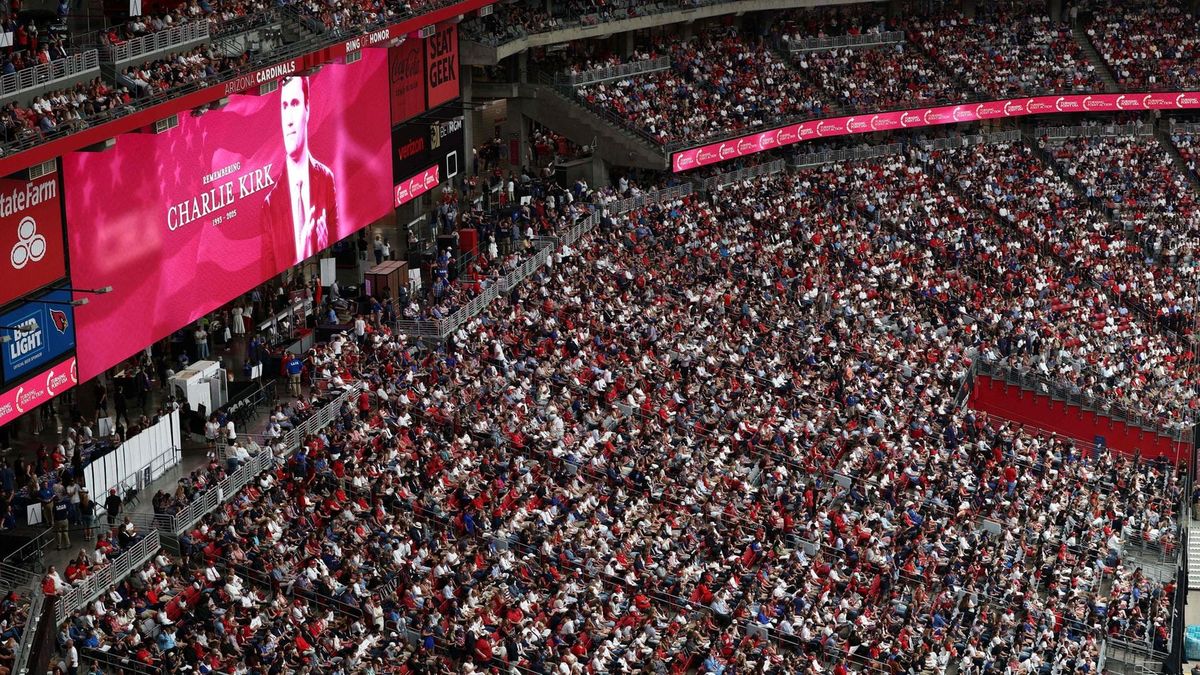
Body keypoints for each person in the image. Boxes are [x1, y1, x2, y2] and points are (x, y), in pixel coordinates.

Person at [261, 75, 339, 270]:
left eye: (294, 103)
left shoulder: (326, 178)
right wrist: (301, 255)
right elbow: (267, 271)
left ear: (307, 108)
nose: (288, 119)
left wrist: (324, 245)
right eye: (284, 106)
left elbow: (336, 236)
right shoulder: (270, 205)